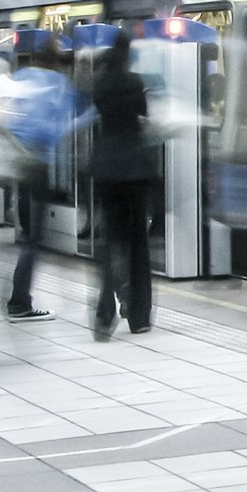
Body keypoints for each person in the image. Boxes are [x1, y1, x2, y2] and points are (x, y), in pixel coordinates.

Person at [0, 40, 74, 322]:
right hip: (37, 163)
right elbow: (60, 125)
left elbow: (7, 118)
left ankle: (14, 296)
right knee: (32, 238)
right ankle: (19, 302)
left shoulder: (21, 77)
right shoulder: (58, 84)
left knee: (25, 233)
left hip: (16, 162)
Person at [88, 31, 157, 340]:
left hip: (105, 168)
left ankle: (104, 315)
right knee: (137, 244)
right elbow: (143, 119)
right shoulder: (134, 82)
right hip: (134, 167)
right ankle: (139, 316)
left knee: (110, 242)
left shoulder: (99, 84)